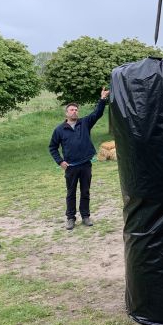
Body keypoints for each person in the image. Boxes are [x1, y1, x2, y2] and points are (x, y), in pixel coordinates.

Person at [49, 88, 110, 230]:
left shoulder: (85, 123)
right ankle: (70, 218)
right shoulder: (60, 130)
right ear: (66, 113)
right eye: (71, 110)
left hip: (85, 164)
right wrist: (60, 161)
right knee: (71, 193)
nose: (74, 111)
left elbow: (97, 113)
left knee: (85, 191)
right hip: (70, 167)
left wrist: (102, 99)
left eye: (76, 110)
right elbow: (52, 147)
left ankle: (86, 216)